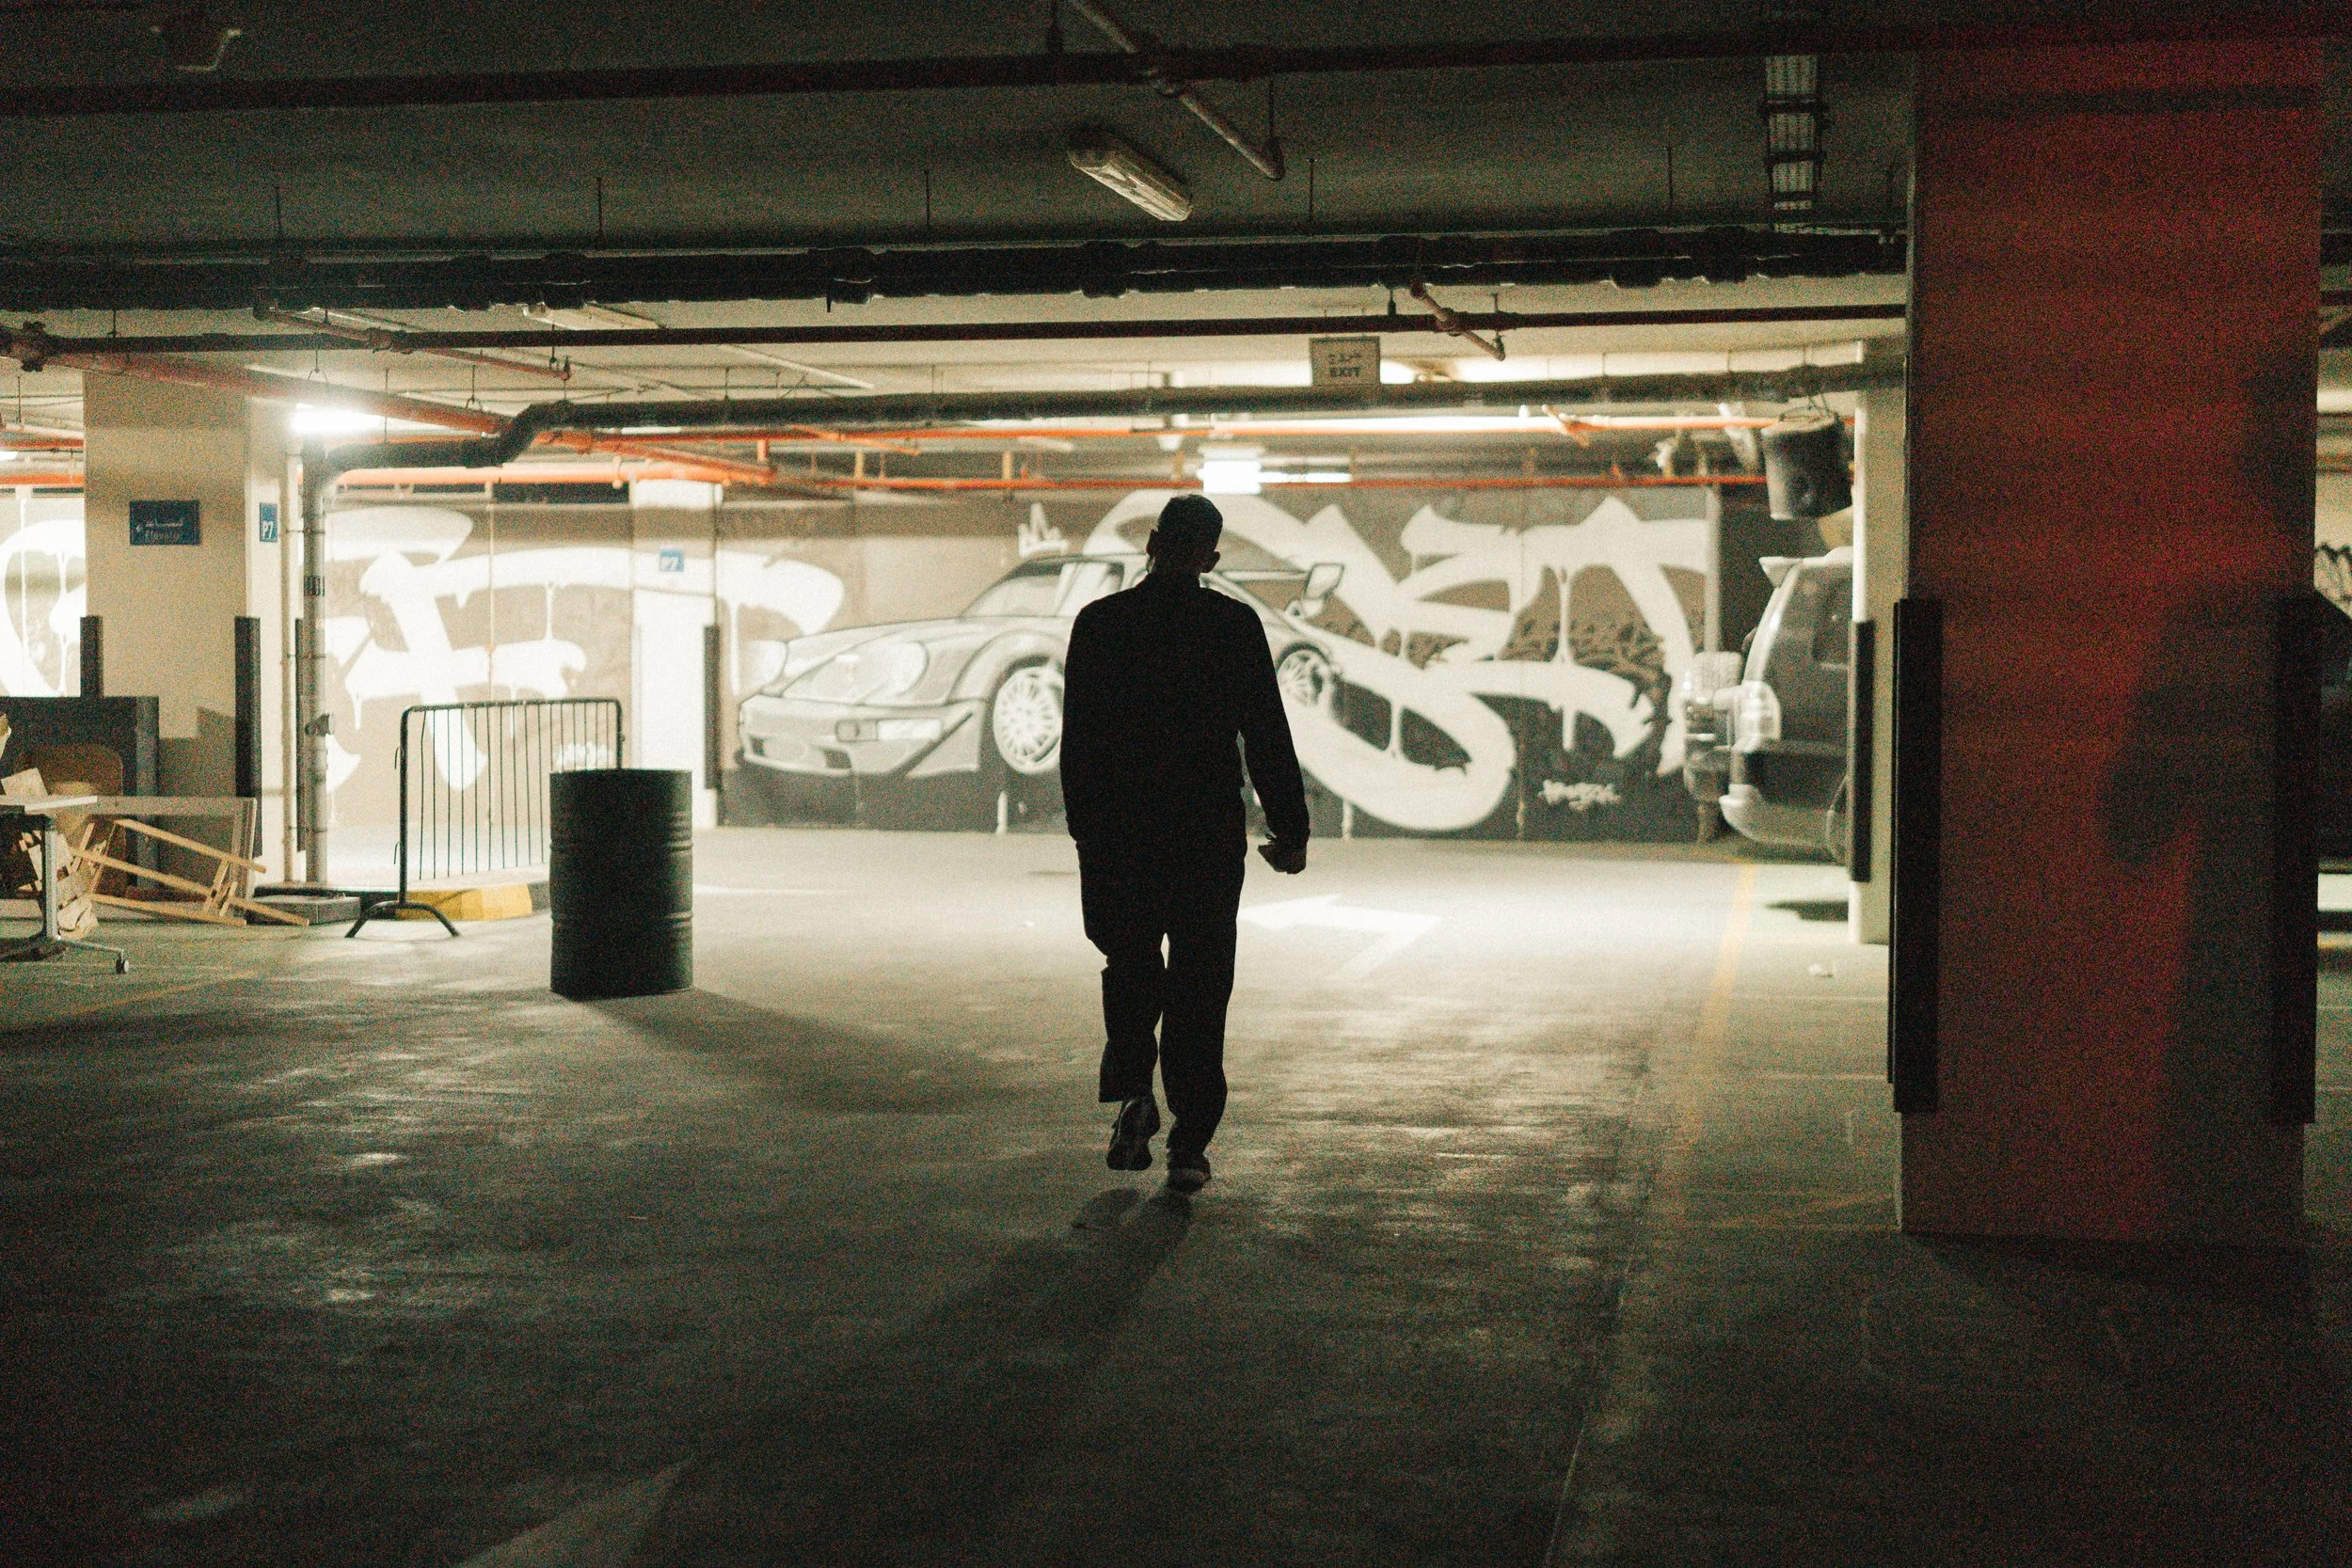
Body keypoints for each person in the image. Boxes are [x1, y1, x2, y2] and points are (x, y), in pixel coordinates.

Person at [1059, 494, 1311, 1195]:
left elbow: (1077, 741)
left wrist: (1087, 833)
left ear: (1152, 542)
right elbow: (1265, 734)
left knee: (1131, 962)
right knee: (1201, 983)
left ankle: (1136, 1087)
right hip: (1203, 834)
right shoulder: (1231, 626)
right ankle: (1190, 1143)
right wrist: (1289, 827)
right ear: (1211, 558)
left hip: (1123, 833)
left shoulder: (1101, 624)